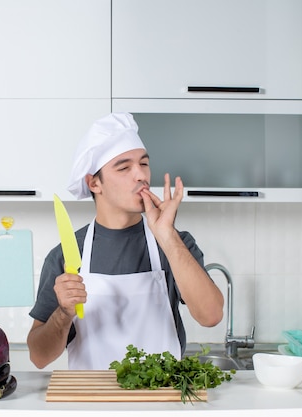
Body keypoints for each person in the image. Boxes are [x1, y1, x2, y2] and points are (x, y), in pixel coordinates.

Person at [27, 112, 225, 370]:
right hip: (93, 403)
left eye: (144, 164)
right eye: (124, 167)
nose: (141, 175)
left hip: (161, 402)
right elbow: (39, 357)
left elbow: (211, 315)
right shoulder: (67, 253)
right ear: (94, 183)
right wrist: (64, 314)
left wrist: (166, 234)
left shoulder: (174, 243)